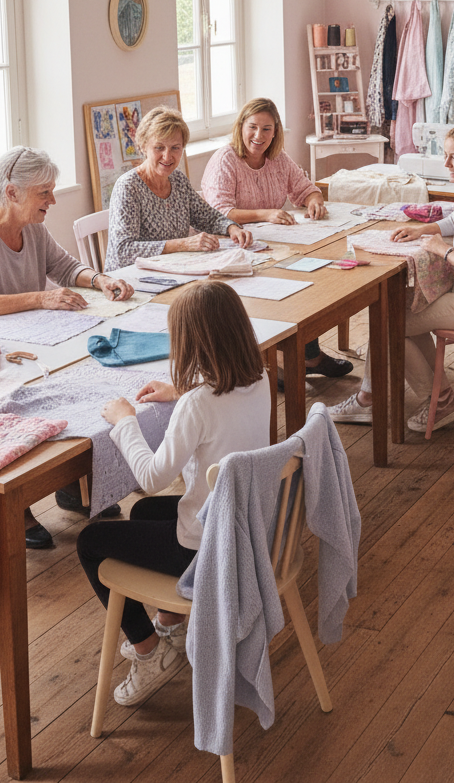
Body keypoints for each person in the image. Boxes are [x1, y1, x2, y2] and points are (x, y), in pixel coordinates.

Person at [79, 280, 271, 707]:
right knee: (145, 513)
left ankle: (148, 650)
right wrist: (181, 391)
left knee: (89, 541)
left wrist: (125, 421)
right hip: (244, 528)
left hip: (204, 551)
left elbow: (151, 476)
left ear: (190, 344)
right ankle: (169, 623)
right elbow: (218, 407)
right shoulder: (259, 378)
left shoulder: (197, 405)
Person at [0, 146, 134, 548]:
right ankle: (20, 505)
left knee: (81, 378)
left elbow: (64, 267)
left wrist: (100, 280)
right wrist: (41, 298)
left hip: (21, 344)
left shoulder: (33, 227)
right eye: (44, 192)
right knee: (28, 399)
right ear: (12, 192)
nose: (52, 200)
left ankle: (71, 484)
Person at [327, 121, 454, 433]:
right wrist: (423, 230)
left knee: (388, 324)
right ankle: (418, 397)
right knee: (399, 311)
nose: (446, 164)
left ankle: (416, 400)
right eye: (446, 155)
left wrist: (443, 250)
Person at [200, 97, 351, 379]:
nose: (258, 135)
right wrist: (265, 214)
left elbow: (305, 188)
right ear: (241, 126)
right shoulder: (226, 159)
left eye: (266, 129)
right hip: (229, 247)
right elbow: (220, 213)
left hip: (269, 244)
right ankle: (279, 362)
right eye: (253, 127)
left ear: (275, 131)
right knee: (284, 283)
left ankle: (304, 357)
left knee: (309, 279)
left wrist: (314, 201)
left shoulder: (278, 159)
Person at [104, 106, 253, 272]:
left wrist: (232, 228)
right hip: (128, 279)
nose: (167, 156)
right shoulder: (128, 187)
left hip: (171, 270)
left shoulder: (178, 180)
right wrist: (183, 244)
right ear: (143, 146)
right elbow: (123, 251)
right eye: (159, 147)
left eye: (175, 148)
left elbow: (207, 217)